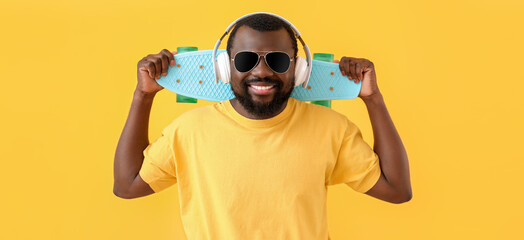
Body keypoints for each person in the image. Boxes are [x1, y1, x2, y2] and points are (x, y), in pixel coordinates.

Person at [113, 13, 412, 240]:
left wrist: (373, 99)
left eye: (278, 60)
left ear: (299, 68)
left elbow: (396, 190)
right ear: (223, 66)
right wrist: (143, 95)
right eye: (245, 60)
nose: (261, 71)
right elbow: (127, 186)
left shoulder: (333, 129)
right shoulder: (188, 131)